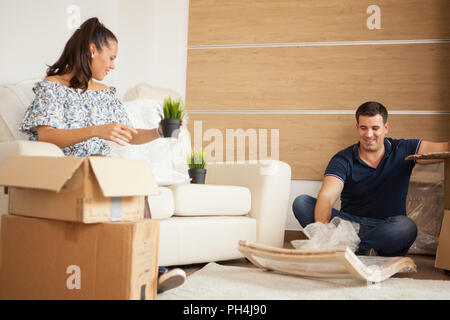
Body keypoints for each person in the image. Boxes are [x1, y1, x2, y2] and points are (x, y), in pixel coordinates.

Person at [19, 17, 185, 293]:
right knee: (120, 178)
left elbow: (128, 134)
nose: (113, 65)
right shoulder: (53, 87)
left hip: (103, 172)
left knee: (136, 182)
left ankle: (150, 269)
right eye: (111, 57)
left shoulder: (107, 94)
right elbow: (47, 135)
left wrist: (159, 131)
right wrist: (96, 130)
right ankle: (149, 272)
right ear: (92, 50)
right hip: (67, 172)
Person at [292, 101, 449, 257]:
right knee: (302, 203)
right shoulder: (343, 159)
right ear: (357, 128)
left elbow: (444, 148)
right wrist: (323, 233)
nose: (368, 134)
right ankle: (362, 247)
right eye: (363, 128)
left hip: (387, 227)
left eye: (375, 128)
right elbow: (327, 196)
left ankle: (351, 247)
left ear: (386, 128)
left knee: (406, 227)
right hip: (349, 225)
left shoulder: (404, 148)